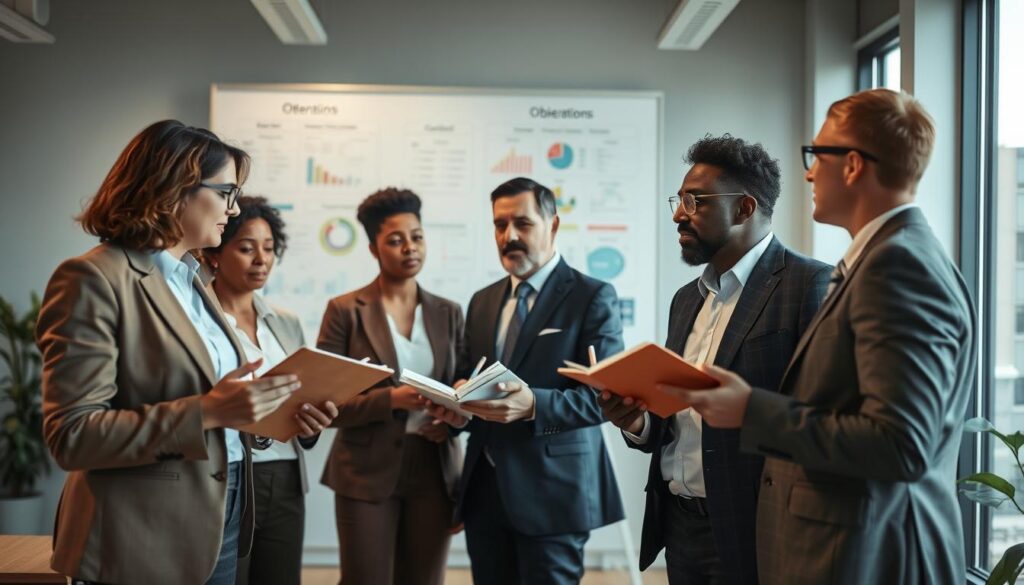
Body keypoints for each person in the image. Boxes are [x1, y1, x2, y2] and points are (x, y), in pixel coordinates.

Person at [659, 89, 976, 584]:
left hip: (870, 550)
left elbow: (901, 445)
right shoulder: (884, 258)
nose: (808, 173)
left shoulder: (898, 266)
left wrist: (751, 410)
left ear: (852, 165)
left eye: (816, 155)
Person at [36, 120, 303, 585]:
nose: (233, 208)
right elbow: (73, 436)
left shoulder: (190, 280)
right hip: (141, 533)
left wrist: (268, 413)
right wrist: (207, 411)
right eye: (226, 193)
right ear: (177, 188)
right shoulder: (93, 278)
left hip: (222, 511)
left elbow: (213, 405)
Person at [598, 135, 831, 584]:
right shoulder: (688, 299)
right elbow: (679, 418)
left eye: (694, 201)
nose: (678, 214)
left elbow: (815, 419)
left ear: (744, 208)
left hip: (757, 529)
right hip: (681, 525)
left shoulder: (810, 285)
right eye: (679, 199)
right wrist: (636, 422)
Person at [427, 177, 625, 585]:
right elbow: (470, 377)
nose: (509, 235)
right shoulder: (482, 301)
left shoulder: (593, 296)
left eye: (522, 223)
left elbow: (605, 398)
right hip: (484, 490)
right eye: (500, 225)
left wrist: (533, 403)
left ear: (552, 225)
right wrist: (455, 406)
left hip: (555, 493)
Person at [316, 188, 464, 585]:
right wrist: (391, 399)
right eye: (395, 240)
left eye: (417, 237)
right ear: (373, 248)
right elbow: (323, 404)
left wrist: (451, 421)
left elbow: (465, 393)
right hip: (365, 469)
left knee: (424, 579)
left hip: (434, 467)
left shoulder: (448, 313)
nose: (409, 248)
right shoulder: (345, 311)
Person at [203, 195, 339, 585]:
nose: (261, 259)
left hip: (286, 475)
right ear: (214, 254)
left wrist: (313, 424)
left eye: (268, 248)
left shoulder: (285, 321)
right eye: (246, 248)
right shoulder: (201, 321)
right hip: (227, 476)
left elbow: (302, 396)